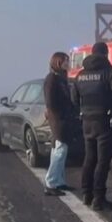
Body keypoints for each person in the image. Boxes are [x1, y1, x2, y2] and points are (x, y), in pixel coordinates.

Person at [71, 42, 112, 211]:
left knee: (89, 158)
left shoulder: (80, 75)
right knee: (103, 161)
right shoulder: (108, 73)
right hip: (104, 122)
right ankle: (99, 199)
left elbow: (74, 100)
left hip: (87, 123)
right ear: (105, 54)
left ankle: (87, 194)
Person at [42, 52, 75, 196]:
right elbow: (50, 102)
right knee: (60, 151)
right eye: (65, 61)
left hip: (64, 119)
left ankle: (59, 181)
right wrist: (61, 113)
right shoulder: (52, 79)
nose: (68, 63)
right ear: (58, 62)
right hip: (58, 120)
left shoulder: (62, 78)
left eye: (68, 60)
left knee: (60, 150)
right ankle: (50, 183)